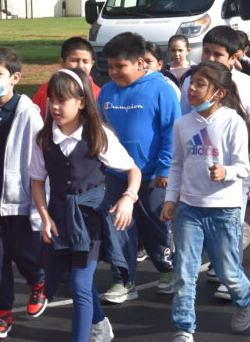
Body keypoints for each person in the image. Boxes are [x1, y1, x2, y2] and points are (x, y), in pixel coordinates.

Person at [30, 68, 141, 342]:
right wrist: (45, 217)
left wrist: (129, 198)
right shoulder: (43, 139)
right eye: (52, 99)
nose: (54, 106)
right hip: (58, 217)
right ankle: (100, 322)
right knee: (78, 280)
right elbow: (36, 182)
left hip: (89, 219)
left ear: (81, 102)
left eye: (62, 100)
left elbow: (133, 170)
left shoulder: (98, 136)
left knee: (79, 285)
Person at [161, 62, 250, 340]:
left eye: (200, 84)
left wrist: (225, 171)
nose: (191, 88)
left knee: (228, 273)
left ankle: (246, 297)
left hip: (223, 210)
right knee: (184, 273)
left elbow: (244, 167)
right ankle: (184, 328)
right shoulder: (183, 123)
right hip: (189, 210)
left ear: (219, 92)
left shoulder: (232, 121)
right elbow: (177, 165)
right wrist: (171, 199)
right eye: (191, 82)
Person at [183, 26, 250, 299]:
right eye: (206, 51)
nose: (210, 57)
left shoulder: (247, 84)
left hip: (236, 168)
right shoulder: (190, 81)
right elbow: (186, 124)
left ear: (235, 57)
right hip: (201, 165)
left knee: (230, 223)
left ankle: (231, 278)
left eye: (218, 54)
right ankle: (218, 266)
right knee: (202, 220)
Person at [97, 32, 180, 303]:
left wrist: (164, 170)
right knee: (118, 229)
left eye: (120, 66)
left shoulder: (161, 89)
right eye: (110, 66)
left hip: (153, 177)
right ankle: (124, 281)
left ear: (141, 63)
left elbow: (172, 132)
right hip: (116, 176)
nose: (114, 72)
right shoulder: (107, 91)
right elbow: (101, 129)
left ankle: (167, 270)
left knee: (156, 228)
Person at [0, 47, 46, 338]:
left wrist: (39, 203)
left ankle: (38, 281)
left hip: (19, 198)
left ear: (15, 78)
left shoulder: (28, 114)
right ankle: (3, 311)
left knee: (23, 253)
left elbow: (38, 160)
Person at [32, 37, 102, 119]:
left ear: (92, 64)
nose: (80, 66)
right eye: (74, 60)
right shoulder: (46, 91)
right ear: (62, 62)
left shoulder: (99, 94)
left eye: (85, 62)